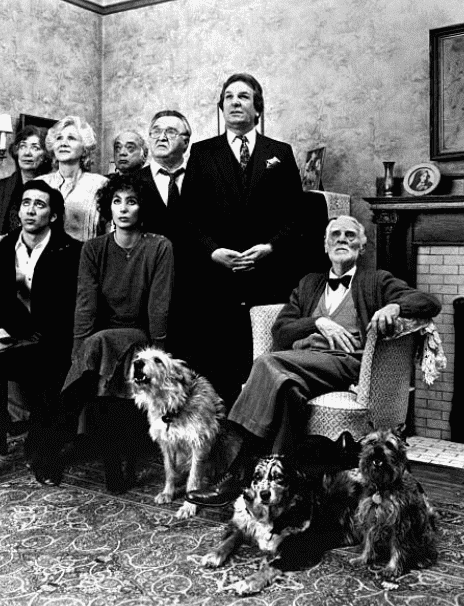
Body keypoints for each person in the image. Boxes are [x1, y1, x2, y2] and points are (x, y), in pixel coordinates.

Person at [186, 215, 441, 507]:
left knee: (268, 363)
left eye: (349, 235)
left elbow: (429, 302)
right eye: (335, 235)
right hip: (303, 364)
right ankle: (284, 485)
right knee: (286, 391)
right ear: (324, 244)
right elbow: (280, 331)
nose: (342, 240)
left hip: (348, 363)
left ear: (363, 244)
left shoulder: (376, 280)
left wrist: (395, 306)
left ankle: (238, 474)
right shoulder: (309, 284)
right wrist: (318, 322)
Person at [32, 172, 175, 492]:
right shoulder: (94, 249)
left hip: (138, 334)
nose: (123, 208)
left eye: (132, 202)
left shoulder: (159, 246)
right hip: (101, 338)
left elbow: (158, 305)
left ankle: (57, 445)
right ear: (107, 207)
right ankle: (112, 464)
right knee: (99, 357)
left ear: (143, 208)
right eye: (116, 201)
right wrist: (77, 353)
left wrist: (159, 353)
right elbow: (85, 306)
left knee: (99, 350)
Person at [181, 73, 304, 406]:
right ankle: (219, 434)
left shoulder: (279, 152)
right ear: (222, 107)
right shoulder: (203, 153)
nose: (235, 102)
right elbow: (188, 218)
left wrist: (269, 247)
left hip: (267, 277)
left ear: (257, 108)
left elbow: (297, 216)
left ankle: (258, 434)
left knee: (262, 357)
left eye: (244, 97)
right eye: (229, 97)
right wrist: (213, 251)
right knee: (218, 360)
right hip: (218, 279)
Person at [0, 180, 81, 501]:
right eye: (26, 203)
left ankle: (43, 450)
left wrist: (40, 338)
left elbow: (73, 309)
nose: (31, 210)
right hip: (5, 337)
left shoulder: (71, 251)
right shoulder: (0, 248)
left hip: (47, 339)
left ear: (53, 215)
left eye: (40, 205)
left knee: (54, 371)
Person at [0, 125, 50, 272]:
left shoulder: (51, 190)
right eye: (22, 146)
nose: (27, 152)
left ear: (45, 155)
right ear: (16, 151)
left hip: (36, 274)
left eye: (35, 147)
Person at [40, 115, 108, 241]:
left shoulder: (101, 184)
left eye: (71, 138)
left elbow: (111, 232)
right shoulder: (39, 183)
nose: (63, 143)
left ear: (84, 149)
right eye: (59, 138)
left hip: (86, 258)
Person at [137, 110, 191, 242]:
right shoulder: (132, 181)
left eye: (171, 132)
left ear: (185, 142)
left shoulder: (204, 177)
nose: (162, 138)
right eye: (156, 132)